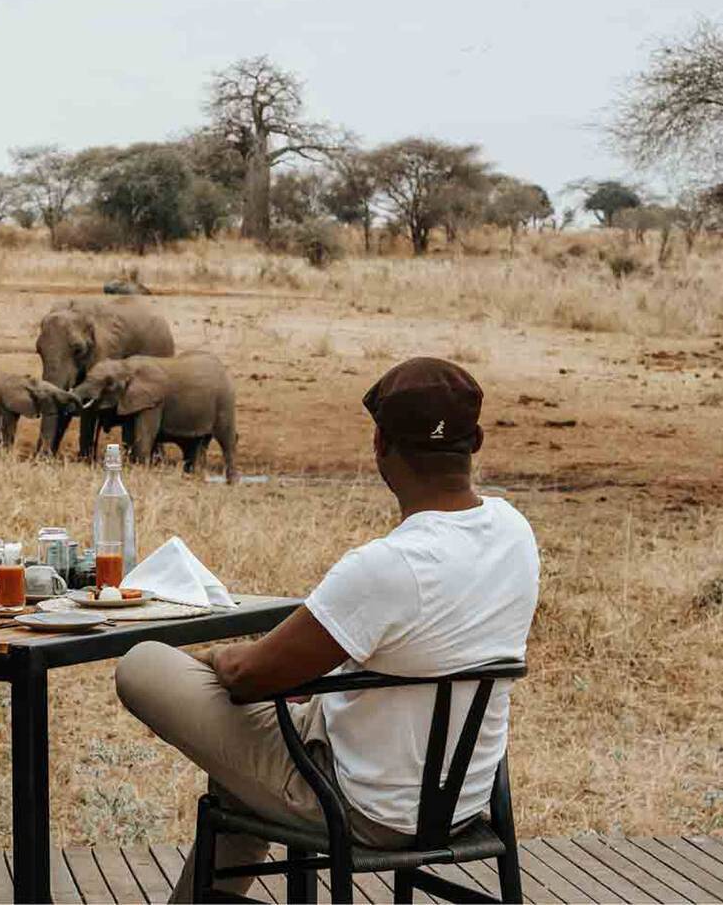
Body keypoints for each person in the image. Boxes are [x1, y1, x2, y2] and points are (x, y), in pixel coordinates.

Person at [115, 357, 540, 902]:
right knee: (242, 767)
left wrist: (221, 658)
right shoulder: (514, 531)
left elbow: (250, 678)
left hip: (364, 806)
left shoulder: (389, 564)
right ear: (476, 440)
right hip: (461, 800)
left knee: (144, 662)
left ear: (380, 445)